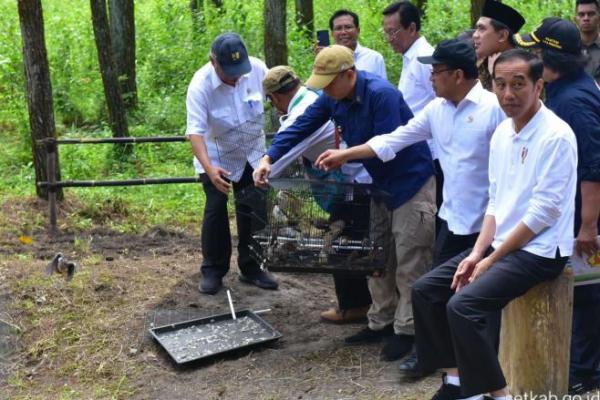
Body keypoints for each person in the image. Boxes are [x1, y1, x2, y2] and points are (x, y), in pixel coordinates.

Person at [315, 38, 506, 378]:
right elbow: (395, 139)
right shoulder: (436, 110)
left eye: (437, 72)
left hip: (488, 224)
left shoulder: (493, 110)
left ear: (458, 75)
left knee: (479, 299)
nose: (430, 78)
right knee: (430, 291)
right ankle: (432, 356)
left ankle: (482, 364)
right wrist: (346, 154)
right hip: (451, 218)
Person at [409, 49, 577, 399]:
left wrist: (490, 259)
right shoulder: (502, 133)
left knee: (463, 306)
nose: (508, 94)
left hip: (541, 249)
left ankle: (497, 395)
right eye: (500, 85)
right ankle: (457, 383)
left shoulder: (556, 136)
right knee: (425, 290)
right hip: (503, 244)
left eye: (518, 84)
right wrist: (476, 252)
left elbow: (542, 213)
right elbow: (496, 202)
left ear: (539, 86)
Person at [254, 45, 436, 362]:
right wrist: (269, 157)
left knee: (410, 259)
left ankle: (409, 332)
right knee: (376, 259)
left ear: (348, 74)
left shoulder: (382, 95)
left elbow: (386, 143)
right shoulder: (332, 96)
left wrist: (345, 156)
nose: (324, 90)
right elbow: (301, 126)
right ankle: (381, 322)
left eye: (329, 83)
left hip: (410, 182)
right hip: (379, 186)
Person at [516, 17, 600, 394]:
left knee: (586, 292)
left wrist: (587, 227)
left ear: (548, 55)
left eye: (535, 50)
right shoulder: (567, 89)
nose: (531, 56)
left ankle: (584, 369)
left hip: (588, 214)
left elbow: (593, 166)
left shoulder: (572, 101)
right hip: (581, 210)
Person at [261, 65, 373, 324]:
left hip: (352, 182)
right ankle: (364, 302)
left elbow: (279, 160)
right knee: (352, 237)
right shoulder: (311, 97)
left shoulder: (300, 112)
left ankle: (355, 305)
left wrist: (263, 166)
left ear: (275, 98)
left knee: (340, 242)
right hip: (353, 177)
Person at [186, 32, 278, 295]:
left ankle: (252, 267)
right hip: (216, 156)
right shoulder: (200, 84)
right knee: (215, 209)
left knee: (254, 207)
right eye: (229, 71)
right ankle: (213, 269)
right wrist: (209, 168)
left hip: (253, 152)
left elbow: (279, 94)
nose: (236, 77)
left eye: (239, 70)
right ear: (214, 62)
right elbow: (195, 131)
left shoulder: (258, 68)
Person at [382, 1, 441, 214]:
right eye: (386, 32)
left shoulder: (424, 58)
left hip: (431, 154)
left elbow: (442, 100)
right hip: (416, 149)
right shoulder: (410, 58)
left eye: (394, 32)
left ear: (412, 28)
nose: (390, 38)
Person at [473, 0, 525, 90]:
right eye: (477, 29)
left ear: (502, 36)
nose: (475, 35)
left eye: (482, 29)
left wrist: (494, 74)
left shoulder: (523, 69)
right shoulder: (481, 62)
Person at [327, 9, 387, 81]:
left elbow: (383, 89)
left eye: (348, 27)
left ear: (358, 30)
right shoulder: (326, 60)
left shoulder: (374, 58)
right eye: (338, 28)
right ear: (332, 34)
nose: (343, 32)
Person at [575, 0, 600, 82]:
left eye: (591, 14)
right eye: (581, 14)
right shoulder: (568, 48)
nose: (586, 18)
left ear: (599, 17)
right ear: (575, 19)